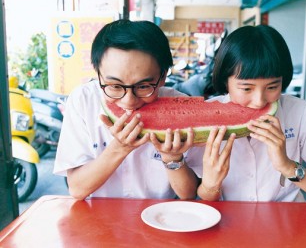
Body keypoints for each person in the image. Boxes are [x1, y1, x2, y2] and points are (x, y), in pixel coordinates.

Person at [186, 25, 306, 206]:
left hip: (288, 223)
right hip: (229, 224)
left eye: (272, 87)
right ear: (225, 81)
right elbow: (199, 196)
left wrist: (287, 166)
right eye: (246, 88)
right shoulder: (204, 118)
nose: (259, 101)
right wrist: (211, 184)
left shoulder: (301, 112)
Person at [53, 19, 199, 200]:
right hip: (99, 220)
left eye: (144, 86)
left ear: (162, 77)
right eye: (114, 86)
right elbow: (77, 189)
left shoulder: (181, 107)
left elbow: (189, 194)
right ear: (98, 74)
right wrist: (119, 148)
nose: (129, 101)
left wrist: (172, 158)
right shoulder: (83, 101)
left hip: (161, 218)